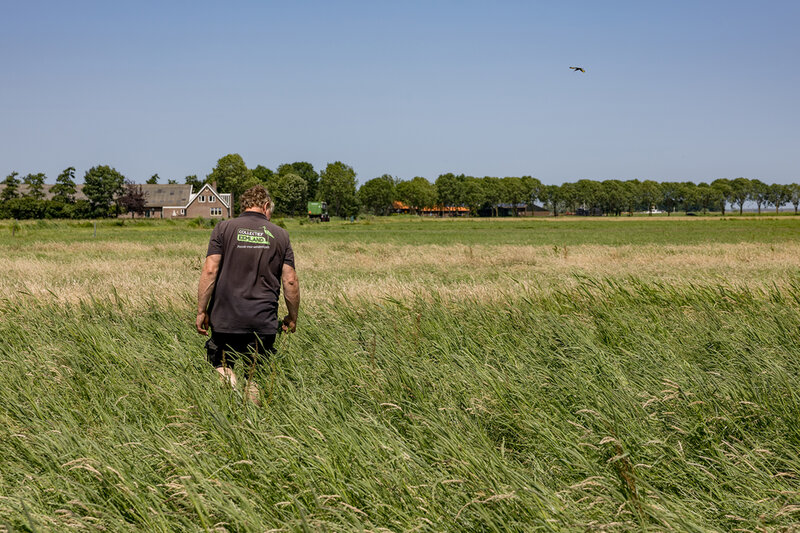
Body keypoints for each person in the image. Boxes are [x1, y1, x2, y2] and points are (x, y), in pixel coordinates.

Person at [196, 185, 299, 404]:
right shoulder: (281, 235)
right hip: (262, 320)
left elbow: (210, 270)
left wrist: (201, 311)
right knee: (255, 374)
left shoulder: (223, 229)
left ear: (244, 206)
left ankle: (231, 408)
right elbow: (290, 280)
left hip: (225, 318)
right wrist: (292, 317)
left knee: (222, 365)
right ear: (265, 206)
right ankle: (253, 422)